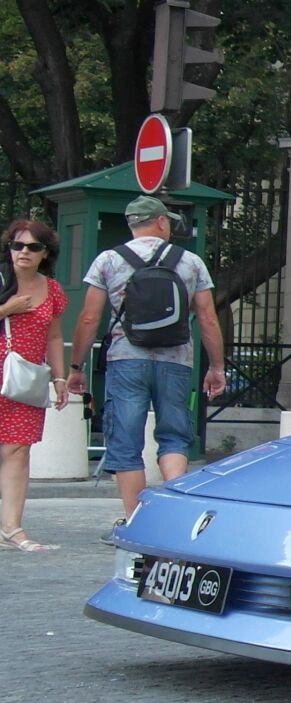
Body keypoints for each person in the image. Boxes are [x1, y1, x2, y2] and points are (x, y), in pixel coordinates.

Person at [65, 196, 226, 541]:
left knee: (126, 440)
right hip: (176, 360)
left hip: (126, 358)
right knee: (173, 436)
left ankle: (136, 521)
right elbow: (208, 319)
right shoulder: (190, 261)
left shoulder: (109, 260)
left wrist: (76, 366)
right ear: (161, 222)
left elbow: (90, 317)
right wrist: (216, 366)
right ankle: (176, 516)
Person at [0, 218, 70, 552]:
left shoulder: (52, 289)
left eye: (33, 247)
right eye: (17, 245)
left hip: (25, 377)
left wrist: (59, 377)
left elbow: (55, 335)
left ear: (45, 253)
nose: (23, 252)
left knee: (18, 449)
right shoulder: (1, 279)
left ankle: (12, 527)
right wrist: (5, 309)